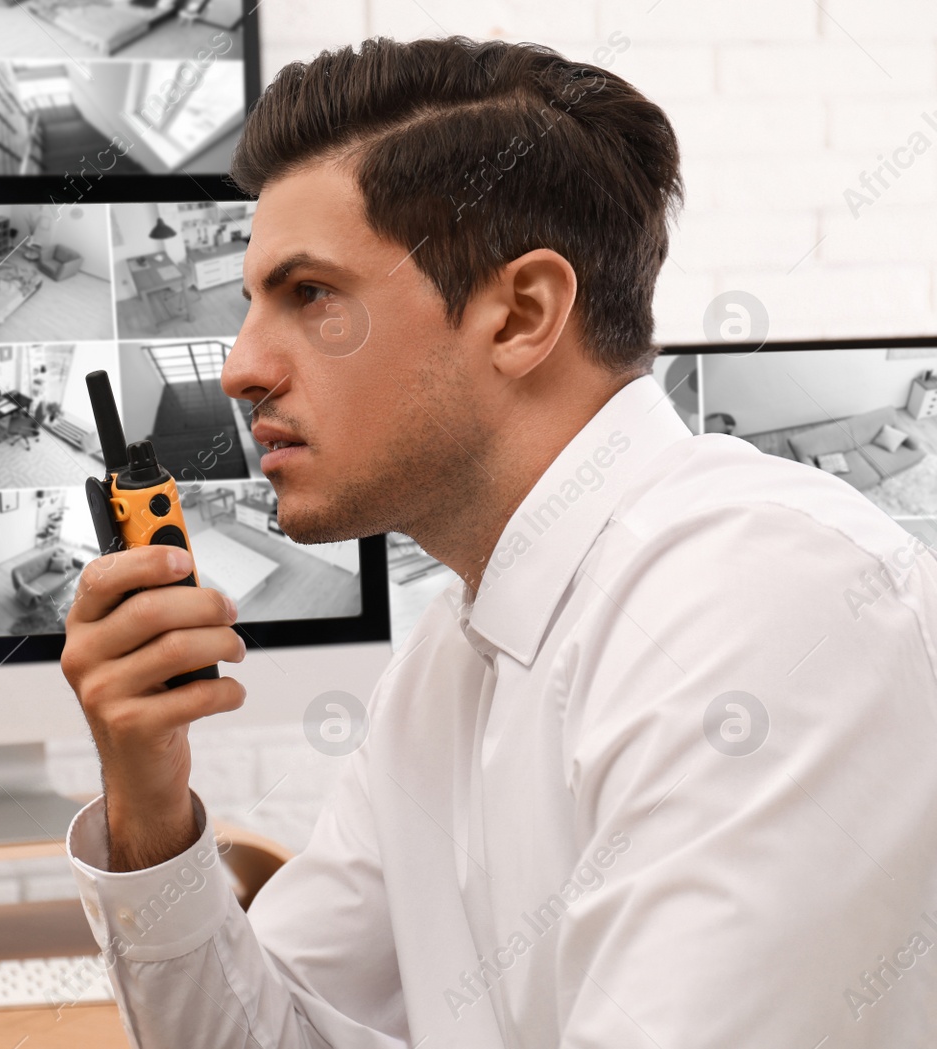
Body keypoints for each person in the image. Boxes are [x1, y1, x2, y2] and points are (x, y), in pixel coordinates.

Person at [60, 35, 937, 1048]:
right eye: (250, 303)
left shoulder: (764, 605)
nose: (241, 367)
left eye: (310, 296)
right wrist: (150, 798)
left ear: (520, 314)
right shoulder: (448, 659)